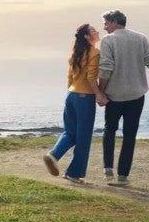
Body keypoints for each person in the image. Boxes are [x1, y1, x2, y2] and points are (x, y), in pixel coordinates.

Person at [96, 9, 149, 185]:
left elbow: (105, 68)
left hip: (114, 96)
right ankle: (123, 175)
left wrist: (100, 91)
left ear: (115, 21)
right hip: (136, 94)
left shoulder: (108, 40)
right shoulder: (141, 38)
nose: (104, 27)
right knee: (130, 134)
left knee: (109, 129)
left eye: (106, 23)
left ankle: (108, 170)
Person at [43, 24, 105, 184]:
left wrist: (71, 94)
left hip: (71, 95)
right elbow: (92, 77)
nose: (97, 32)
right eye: (93, 31)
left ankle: (53, 155)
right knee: (83, 137)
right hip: (85, 98)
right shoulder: (95, 53)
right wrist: (99, 94)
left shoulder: (75, 53)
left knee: (70, 132)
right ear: (86, 36)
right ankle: (74, 173)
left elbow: (69, 76)